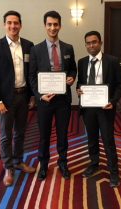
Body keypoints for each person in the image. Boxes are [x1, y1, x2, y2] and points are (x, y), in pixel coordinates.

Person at [0, 10, 36, 187]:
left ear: (20, 25)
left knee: (21, 132)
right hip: (5, 100)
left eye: (16, 23)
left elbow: (32, 73)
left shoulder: (29, 45)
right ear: (4, 25)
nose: (13, 26)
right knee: (6, 135)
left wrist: (32, 95)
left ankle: (18, 161)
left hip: (23, 96)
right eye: (9, 23)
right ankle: (8, 167)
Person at [29, 11, 77, 181]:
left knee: (63, 133)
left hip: (63, 100)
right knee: (44, 135)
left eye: (55, 24)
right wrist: (39, 95)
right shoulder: (35, 50)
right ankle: (43, 165)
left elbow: (73, 69)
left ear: (60, 26)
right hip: (45, 101)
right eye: (49, 24)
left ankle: (63, 163)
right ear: (45, 26)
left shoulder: (68, 48)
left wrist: (72, 77)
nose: (52, 27)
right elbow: (32, 76)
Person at [76, 31, 121, 188]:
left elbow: (120, 85)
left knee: (108, 140)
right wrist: (78, 90)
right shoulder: (82, 62)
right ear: (85, 45)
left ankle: (114, 171)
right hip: (88, 108)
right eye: (88, 43)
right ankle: (94, 163)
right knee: (91, 139)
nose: (91, 45)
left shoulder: (112, 61)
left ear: (100, 43)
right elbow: (80, 84)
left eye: (94, 42)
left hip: (105, 108)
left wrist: (113, 101)